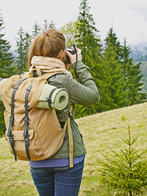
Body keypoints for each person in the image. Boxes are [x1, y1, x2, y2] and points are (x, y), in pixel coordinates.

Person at [27, 29, 100, 196]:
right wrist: (77, 64)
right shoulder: (62, 80)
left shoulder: (27, 78)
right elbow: (93, 96)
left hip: (36, 157)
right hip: (67, 157)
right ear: (61, 53)